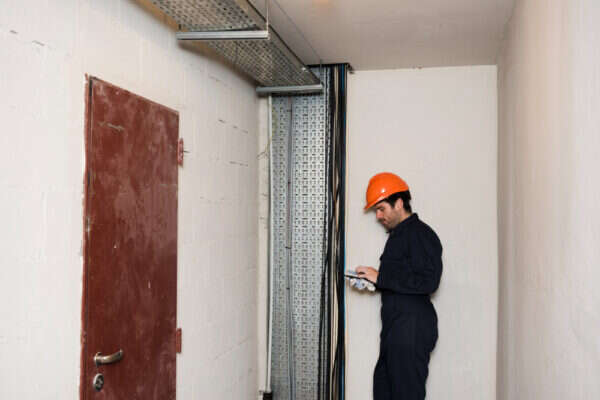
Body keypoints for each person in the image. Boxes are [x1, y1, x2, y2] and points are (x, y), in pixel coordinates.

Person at [356, 172, 442, 400]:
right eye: (376, 211)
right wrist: (374, 282)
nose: (378, 216)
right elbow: (403, 280)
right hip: (396, 331)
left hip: (411, 331)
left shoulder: (420, 234)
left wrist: (382, 277)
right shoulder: (400, 236)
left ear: (399, 203)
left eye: (381, 209)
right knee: (384, 390)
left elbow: (429, 281)